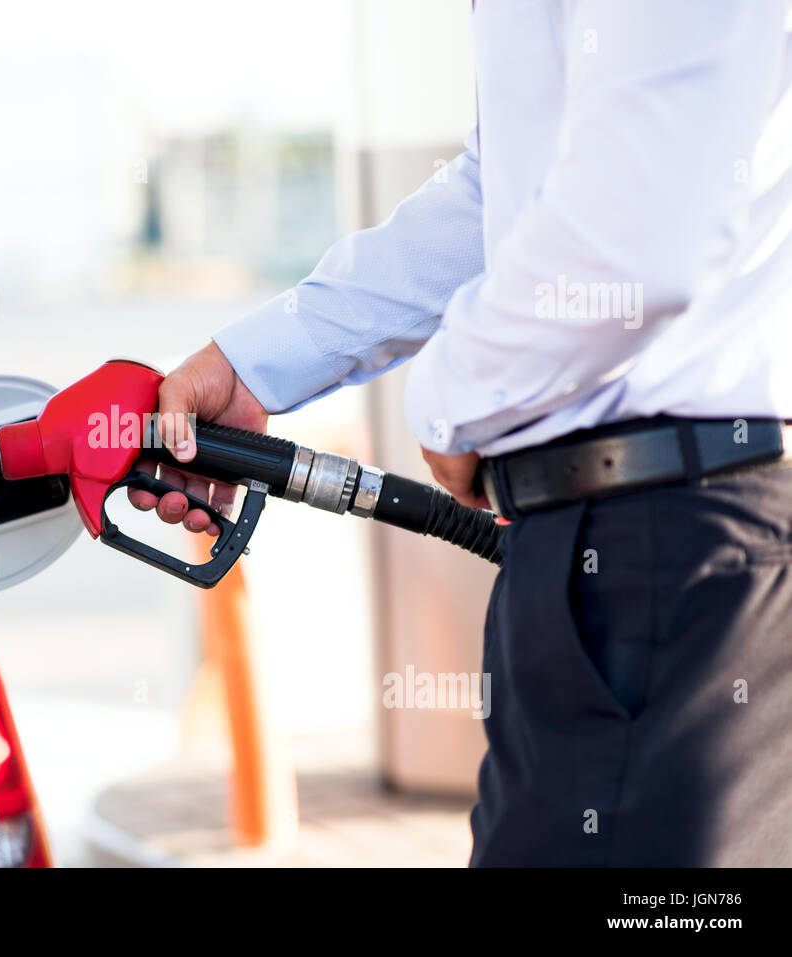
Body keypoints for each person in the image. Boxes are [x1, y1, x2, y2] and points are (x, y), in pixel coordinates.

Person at [131, 0, 792, 866]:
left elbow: (642, 230)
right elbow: (504, 192)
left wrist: (451, 400)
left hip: (667, 558)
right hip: (612, 553)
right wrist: (260, 361)